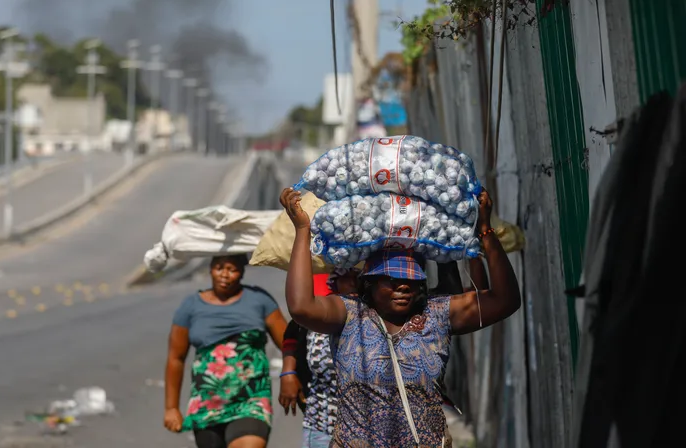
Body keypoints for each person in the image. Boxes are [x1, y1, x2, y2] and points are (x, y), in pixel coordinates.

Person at [279, 187, 521, 448]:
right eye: (392, 280)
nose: (403, 286)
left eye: (411, 279)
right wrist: (302, 230)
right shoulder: (349, 314)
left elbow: (505, 300)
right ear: (369, 283)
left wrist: (485, 230)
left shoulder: (437, 314)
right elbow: (301, 306)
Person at [163, 254, 289, 448]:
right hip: (206, 404)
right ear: (210, 268)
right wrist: (171, 408)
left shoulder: (259, 301)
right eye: (219, 267)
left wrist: (292, 376)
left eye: (232, 269)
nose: (225, 275)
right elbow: (176, 358)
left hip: (251, 400)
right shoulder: (191, 306)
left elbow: (288, 345)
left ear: (242, 272)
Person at [278, 268, 360, 448]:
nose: (353, 283)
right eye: (346, 278)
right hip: (321, 420)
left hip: (364, 427)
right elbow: (292, 333)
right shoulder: (321, 311)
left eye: (358, 277)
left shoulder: (377, 317)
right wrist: (288, 372)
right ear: (335, 281)